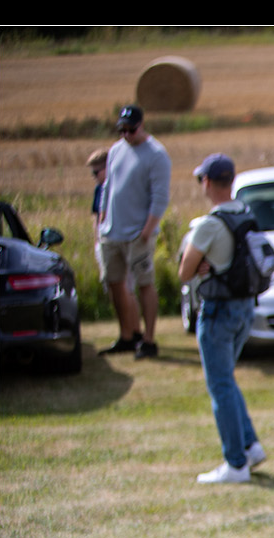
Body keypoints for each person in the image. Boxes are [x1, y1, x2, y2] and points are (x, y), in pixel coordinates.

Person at [177, 154, 266, 484]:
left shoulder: (209, 224)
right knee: (227, 379)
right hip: (244, 307)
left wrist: (202, 264)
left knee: (220, 385)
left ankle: (235, 463)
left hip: (218, 311)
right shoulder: (245, 213)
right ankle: (250, 445)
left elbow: (184, 272)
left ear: (207, 183)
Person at [98, 105, 170, 358]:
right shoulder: (116, 150)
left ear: (142, 126)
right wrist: (102, 219)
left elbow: (160, 198)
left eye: (131, 130)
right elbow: (108, 187)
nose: (126, 135)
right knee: (114, 283)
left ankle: (148, 340)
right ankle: (127, 335)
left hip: (138, 234)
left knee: (144, 284)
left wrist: (147, 231)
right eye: (122, 130)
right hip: (112, 232)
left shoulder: (157, 154)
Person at [88, 148, 138, 340]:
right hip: (105, 242)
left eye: (96, 172)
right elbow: (96, 218)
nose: (94, 177)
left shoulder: (121, 186)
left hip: (122, 241)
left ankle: (134, 332)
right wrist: (97, 241)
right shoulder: (99, 190)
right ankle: (127, 332)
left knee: (127, 288)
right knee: (114, 287)